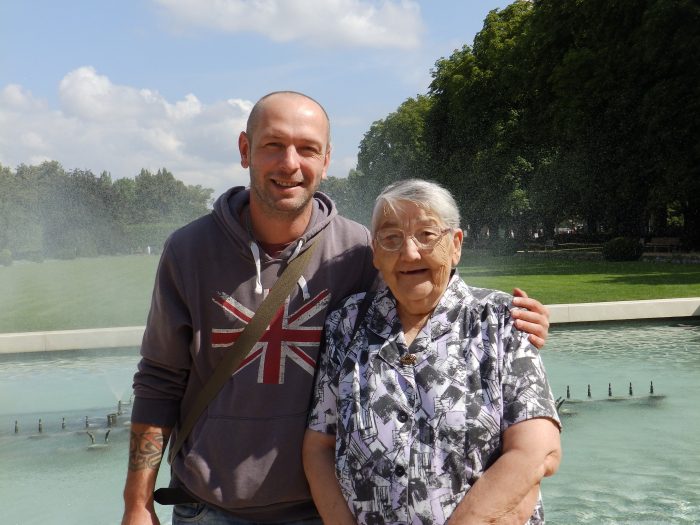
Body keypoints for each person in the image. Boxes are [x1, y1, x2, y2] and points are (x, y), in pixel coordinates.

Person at [121, 92, 552, 525]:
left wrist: (513, 323)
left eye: (307, 149)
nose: (290, 163)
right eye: (273, 145)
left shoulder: (358, 250)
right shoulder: (188, 251)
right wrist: (137, 503)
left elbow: (423, 294)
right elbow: (160, 380)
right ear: (245, 149)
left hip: (319, 511)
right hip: (210, 509)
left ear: (326, 160)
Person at [303, 179, 562, 524]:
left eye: (426, 235)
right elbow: (319, 447)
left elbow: (537, 451)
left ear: (455, 245)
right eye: (391, 238)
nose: (409, 253)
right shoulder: (347, 323)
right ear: (376, 253)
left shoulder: (501, 321)